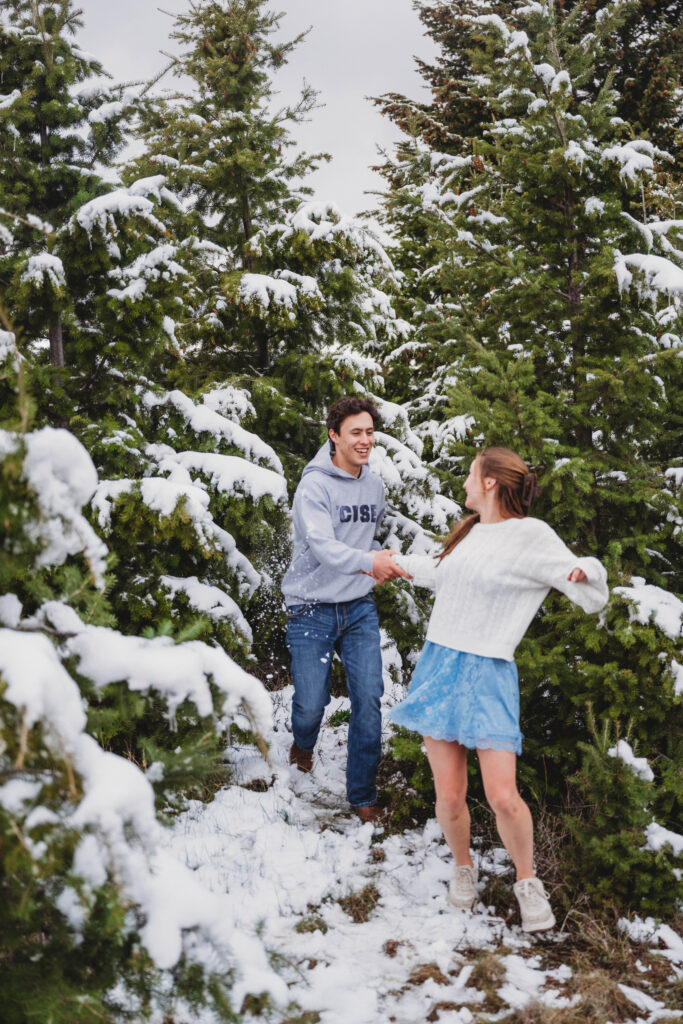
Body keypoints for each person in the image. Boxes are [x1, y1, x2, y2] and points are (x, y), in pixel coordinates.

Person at [387, 447, 609, 932]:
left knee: (503, 796)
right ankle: (463, 868)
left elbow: (590, 588)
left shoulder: (530, 535)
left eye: (470, 474)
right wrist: (391, 562)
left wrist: (583, 571)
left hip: (488, 673)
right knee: (449, 795)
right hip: (440, 664)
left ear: (490, 482)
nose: (464, 482)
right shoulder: (469, 533)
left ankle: (527, 882)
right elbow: (439, 574)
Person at [282, 396, 408, 822]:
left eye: (370, 432)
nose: (365, 440)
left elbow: (362, 540)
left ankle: (363, 794)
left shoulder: (373, 484)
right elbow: (324, 547)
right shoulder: (314, 486)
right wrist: (368, 561)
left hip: (357, 606)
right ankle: (303, 744)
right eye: (356, 432)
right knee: (312, 703)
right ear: (334, 435)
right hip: (310, 607)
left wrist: (379, 558)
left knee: (369, 698)